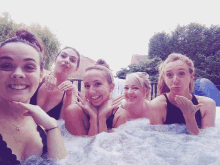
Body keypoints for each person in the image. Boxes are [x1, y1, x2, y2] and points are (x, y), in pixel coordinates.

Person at [0, 30, 67, 164]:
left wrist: (53, 127)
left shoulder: (44, 128)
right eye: (6, 65)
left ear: (41, 75)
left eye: (29, 67)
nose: (18, 74)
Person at [149, 53, 216, 135]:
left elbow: (207, 142)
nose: (175, 80)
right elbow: (158, 143)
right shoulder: (156, 106)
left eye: (181, 74)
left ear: (191, 76)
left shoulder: (207, 105)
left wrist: (189, 116)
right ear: (164, 79)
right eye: (169, 75)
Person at [64, 59, 127, 136]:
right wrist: (93, 118)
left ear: (111, 87)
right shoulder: (74, 111)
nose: (91, 91)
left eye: (97, 84)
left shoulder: (119, 116)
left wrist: (102, 117)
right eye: (87, 86)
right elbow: (82, 147)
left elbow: (105, 147)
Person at [30, 46, 80, 120]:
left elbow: (64, 123)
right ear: (56, 58)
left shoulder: (72, 89)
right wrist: (39, 83)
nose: (67, 60)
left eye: (72, 60)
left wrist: (68, 95)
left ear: (76, 68)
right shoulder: (39, 75)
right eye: (63, 56)